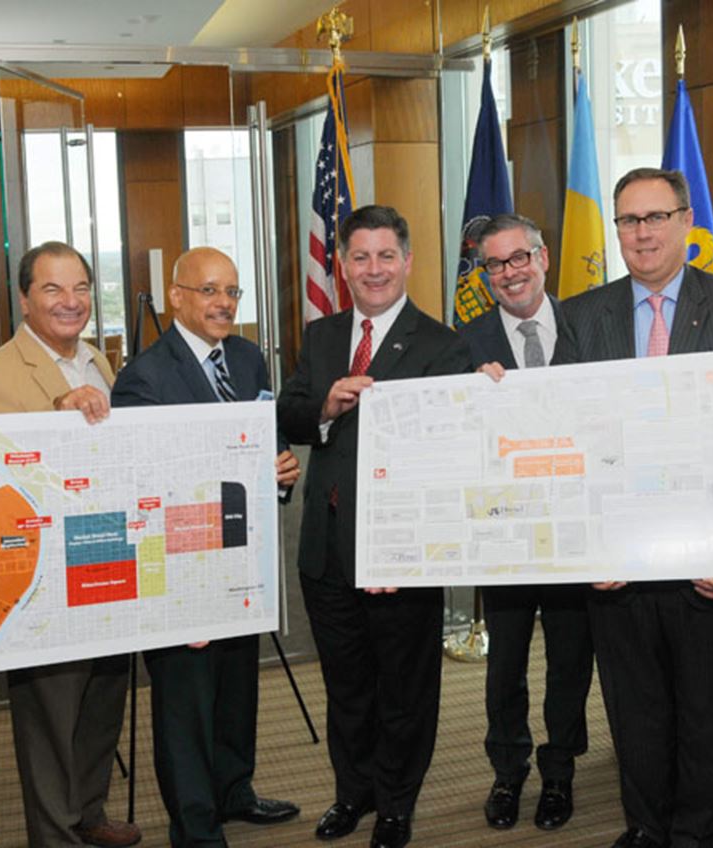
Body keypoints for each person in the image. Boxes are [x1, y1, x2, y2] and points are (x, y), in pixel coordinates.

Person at [552, 168, 713, 848]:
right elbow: (567, 435)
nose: (643, 232)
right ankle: (646, 829)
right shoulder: (582, 314)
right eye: (629, 220)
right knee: (636, 714)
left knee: (708, 719)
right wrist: (589, 546)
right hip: (617, 569)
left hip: (706, 566)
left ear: (686, 222)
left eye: (656, 217)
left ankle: (695, 838)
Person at [278, 205, 473, 848]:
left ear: (407, 261)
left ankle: (395, 803)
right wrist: (325, 407)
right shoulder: (323, 335)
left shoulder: (442, 345)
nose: (374, 269)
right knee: (346, 684)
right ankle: (352, 792)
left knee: (404, 688)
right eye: (360, 257)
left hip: (401, 553)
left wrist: (406, 547)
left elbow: (448, 455)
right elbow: (290, 412)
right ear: (341, 265)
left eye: (386, 255)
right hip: (326, 550)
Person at [110, 246, 301, 848]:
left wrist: (279, 472)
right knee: (185, 702)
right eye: (210, 290)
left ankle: (234, 790)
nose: (224, 303)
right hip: (180, 564)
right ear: (176, 296)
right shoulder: (143, 377)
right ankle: (195, 826)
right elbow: (142, 480)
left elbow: (262, 440)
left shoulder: (246, 359)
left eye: (232, 292)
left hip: (241, 555)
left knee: (237, 686)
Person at [0, 241, 139, 848]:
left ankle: (89, 814)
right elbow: (5, 470)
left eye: (81, 288)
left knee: (102, 698)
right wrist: (57, 412)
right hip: (43, 567)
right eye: (52, 289)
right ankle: (55, 836)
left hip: (105, 552)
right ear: (23, 299)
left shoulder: (99, 361)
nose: (71, 301)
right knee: (50, 714)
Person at [459, 213, 593, 833]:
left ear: (543, 258)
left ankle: (559, 771)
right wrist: (469, 398)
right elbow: (453, 438)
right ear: (485, 274)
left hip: (574, 531)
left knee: (570, 660)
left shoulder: (589, 326)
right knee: (505, 663)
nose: (510, 272)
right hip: (504, 534)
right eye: (495, 263)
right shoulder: (465, 342)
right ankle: (508, 772)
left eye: (520, 258)